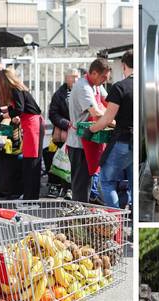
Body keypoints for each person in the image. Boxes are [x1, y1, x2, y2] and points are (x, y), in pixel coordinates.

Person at [90, 50, 133, 210]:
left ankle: (117, 219)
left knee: (106, 181)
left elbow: (107, 119)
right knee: (132, 182)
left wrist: (92, 130)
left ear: (123, 66)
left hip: (122, 141)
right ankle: (133, 216)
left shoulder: (120, 87)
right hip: (138, 144)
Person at [0, 68, 44, 200]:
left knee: (32, 161)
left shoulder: (16, 90)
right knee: (29, 160)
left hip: (33, 124)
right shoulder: (17, 89)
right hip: (30, 123)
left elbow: (19, 110)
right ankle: (30, 196)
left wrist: (3, 115)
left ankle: (31, 198)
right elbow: (17, 108)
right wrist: (1, 110)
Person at [67, 57, 111, 203]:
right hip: (80, 142)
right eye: (103, 77)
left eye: (107, 77)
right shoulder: (83, 86)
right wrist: (114, 122)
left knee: (89, 181)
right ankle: (79, 217)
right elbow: (96, 113)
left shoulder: (97, 85)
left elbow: (108, 101)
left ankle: (85, 213)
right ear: (93, 73)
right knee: (80, 184)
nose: (105, 80)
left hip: (92, 138)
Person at [45, 68, 80, 191]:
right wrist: (66, 124)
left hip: (78, 132)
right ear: (66, 78)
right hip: (63, 132)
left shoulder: (82, 91)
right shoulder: (59, 94)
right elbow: (53, 113)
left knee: (74, 161)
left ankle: (71, 188)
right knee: (60, 159)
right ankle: (61, 186)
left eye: (77, 76)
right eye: (73, 76)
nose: (76, 79)